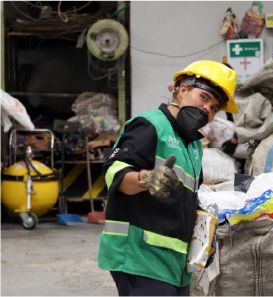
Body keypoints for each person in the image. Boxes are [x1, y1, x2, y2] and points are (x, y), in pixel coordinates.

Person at [98, 60, 238, 297]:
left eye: (214, 107)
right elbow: (114, 172)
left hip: (176, 264)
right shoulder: (150, 125)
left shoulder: (194, 144)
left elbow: (188, 193)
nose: (207, 110)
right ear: (182, 89)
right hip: (140, 256)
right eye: (203, 97)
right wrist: (144, 179)